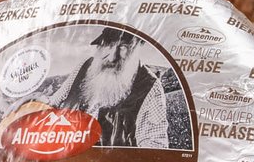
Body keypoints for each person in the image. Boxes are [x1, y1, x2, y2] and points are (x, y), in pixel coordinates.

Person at [51, 30, 184, 149]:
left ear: (135, 49)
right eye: (108, 45)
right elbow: (54, 103)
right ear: (99, 47)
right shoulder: (85, 67)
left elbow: (155, 148)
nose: (112, 57)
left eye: (123, 47)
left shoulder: (149, 87)